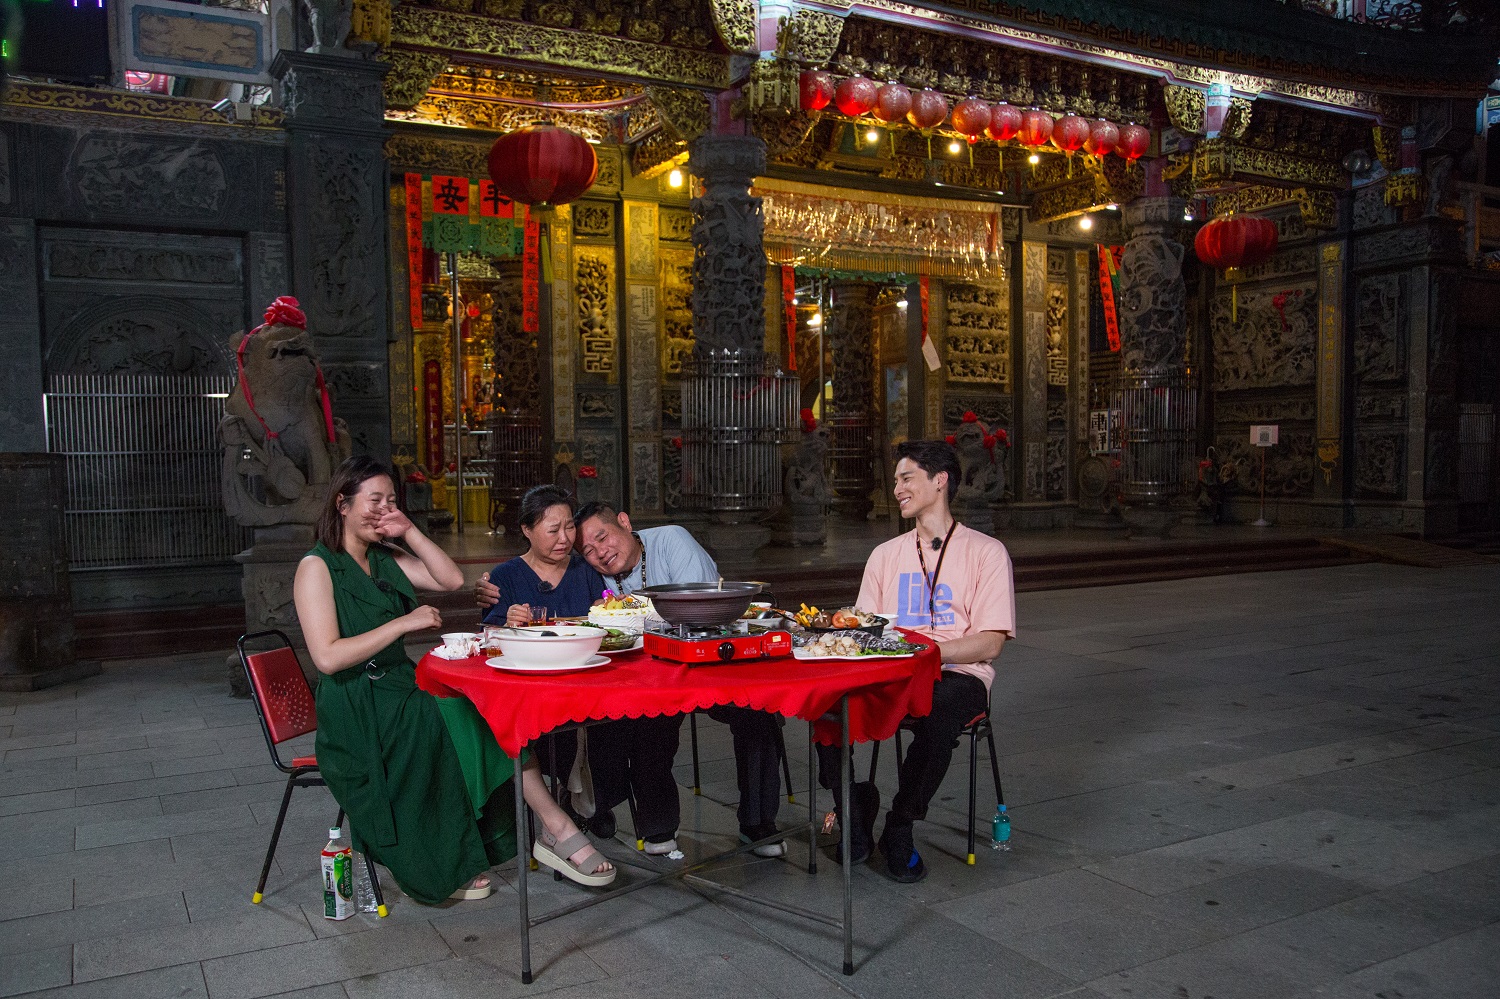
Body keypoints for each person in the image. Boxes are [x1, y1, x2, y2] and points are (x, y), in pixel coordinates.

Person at [293, 457, 614, 903]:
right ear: (342, 504)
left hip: (400, 686)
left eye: (391, 501)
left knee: (485, 711)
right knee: (466, 719)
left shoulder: (383, 559)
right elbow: (327, 658)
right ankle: (546, 828)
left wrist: (407, 530)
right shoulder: (317, 566)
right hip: (356, 702)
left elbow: (449, 578)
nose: (383, 509)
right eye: (374, 501)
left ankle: (541, 829)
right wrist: (403, 625)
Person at [477, 501, 787, 858]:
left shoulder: (672, 540)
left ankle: (758, 825)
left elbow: (701, 605)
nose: (600, 553)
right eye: (589, 550)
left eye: (603, 538)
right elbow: (542, 572)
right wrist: (484, 585)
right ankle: (657, 827)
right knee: (646, 719)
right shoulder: (592, 572)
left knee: (759, 715)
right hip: (654, 675)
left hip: (711, 664)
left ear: (624, 523)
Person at [819, 439, 1014, 883]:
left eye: (907, 478)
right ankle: (852, 808)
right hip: (891, 668)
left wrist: (928, 652)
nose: (898, 489)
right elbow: (863, 625)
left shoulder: (986, 552)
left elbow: (990, 643)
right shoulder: (885, 555)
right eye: (895, 481)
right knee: (826, 701)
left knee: (938, 710)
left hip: (957, 672)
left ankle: (901, 824)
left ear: (940, 480)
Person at [482, 484, 605, 786]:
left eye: (570, 527)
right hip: (532, 690)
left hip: (583, 681)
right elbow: (489, 640)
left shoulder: (584, 569)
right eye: (553, 531)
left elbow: (604, 620)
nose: (565, 539)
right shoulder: (504, 576)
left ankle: (591, 797)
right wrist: (508, 624)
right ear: (526, 529)